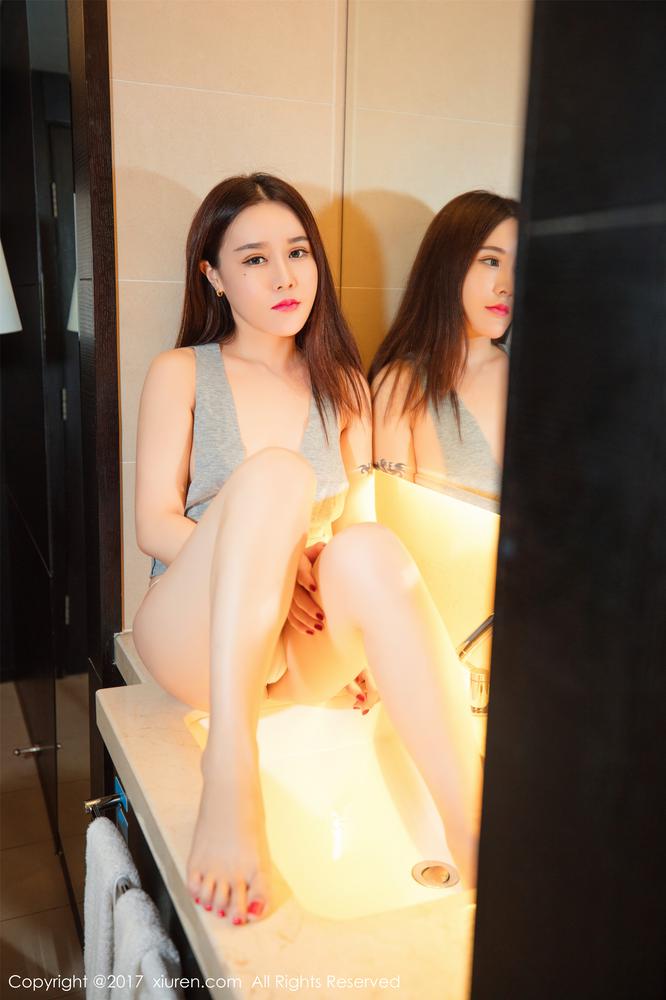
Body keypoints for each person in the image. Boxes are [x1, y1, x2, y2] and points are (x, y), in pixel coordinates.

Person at [132, 173, 482, 928]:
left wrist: (373, 652)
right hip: (195, 639)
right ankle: (231, 772)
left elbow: (354, 530)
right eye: (254, 259)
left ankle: (476, 835)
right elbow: (155, 524)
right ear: (214, 276)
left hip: (294, 651)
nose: (285, 276)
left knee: (371, 546)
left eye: (297, 252)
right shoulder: (182, 372)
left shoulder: (344, 387)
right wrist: (280, 563)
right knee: (277, 476)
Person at [369, 190, 520, 507]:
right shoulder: (402, 387)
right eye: (491, 261)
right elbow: (394, 517)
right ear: (448, 265)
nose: (507, 286)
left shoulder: (543, 375)